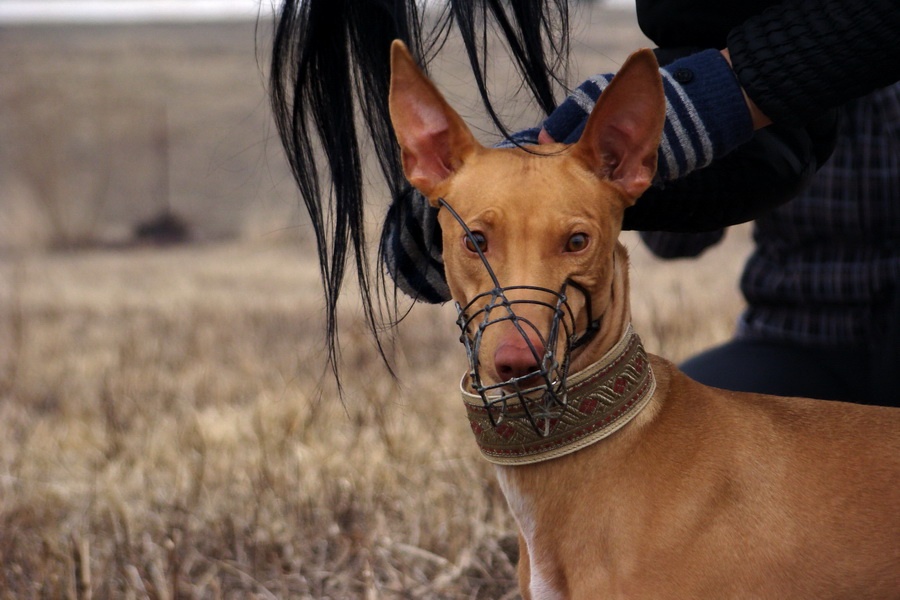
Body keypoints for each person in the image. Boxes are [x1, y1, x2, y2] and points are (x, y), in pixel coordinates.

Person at [269, 0, 900, 389]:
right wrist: (583, 188)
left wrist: (705, 105)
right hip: (797, 333)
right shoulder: (778, 78)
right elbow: (684, 240)